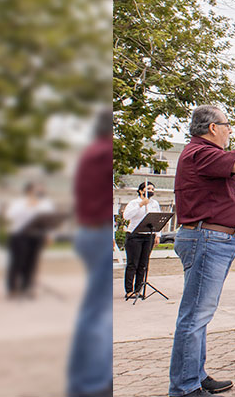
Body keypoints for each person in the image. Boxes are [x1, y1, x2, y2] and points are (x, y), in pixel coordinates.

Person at [169, 105, 235, 397]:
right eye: (227, 125)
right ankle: (185, 387)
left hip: (213, 239)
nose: (230, 131)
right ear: (213, 127)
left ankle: (195, 374)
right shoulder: (201, 152)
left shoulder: (202, 154)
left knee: (199, 313)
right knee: (195, 315)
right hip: (207, 239)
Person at [67, 109, 113, 397]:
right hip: (97, 231)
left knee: (92, 308)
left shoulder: (89, 153)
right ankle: (90, 381)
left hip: (88, 230)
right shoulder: (104, 153)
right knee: (97, 310)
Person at [5, 182, 54, 299]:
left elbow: (49, 219)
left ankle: (26, 287)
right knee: (17, 262)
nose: (40, 191)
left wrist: (49, 235)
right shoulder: (18, 202)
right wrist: (27, 205)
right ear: (29, 191)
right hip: (19, 235)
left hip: (37, 236)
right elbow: (10, 215)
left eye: (41, 189)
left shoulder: (45, 203)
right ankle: (12, 289)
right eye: (37, 189)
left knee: (32, 263)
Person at [121, 181, 161, 299]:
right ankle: (129, 290)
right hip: (135, 235)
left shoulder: (155, 204)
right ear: (141, 190)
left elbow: (157, 219)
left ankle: (138, 289)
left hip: (148, 235)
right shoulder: (134, 202)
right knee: (133, 264)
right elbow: (126, 216)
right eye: (148, 188)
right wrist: (141, 205)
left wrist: (158, 235)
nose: (151, 191)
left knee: (143, 264)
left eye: (153, 189)